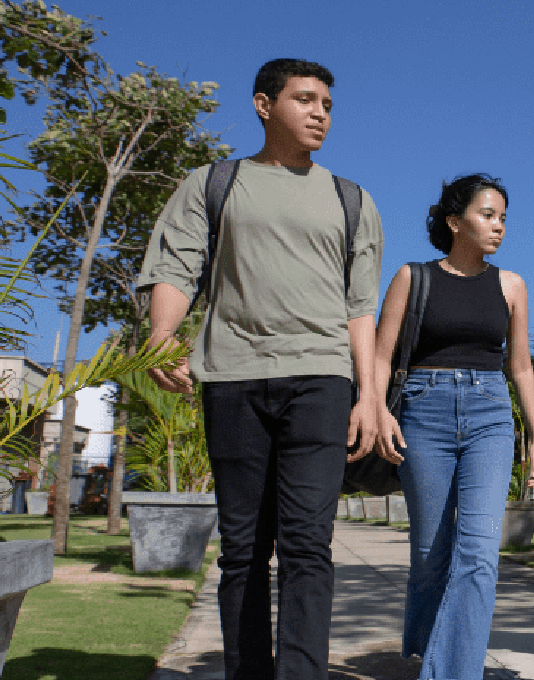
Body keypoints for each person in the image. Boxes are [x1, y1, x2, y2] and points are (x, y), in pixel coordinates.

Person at [134, 58, 381, 680]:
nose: (320, 111)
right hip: (233, 375)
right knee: (243, 550)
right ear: (264, 105)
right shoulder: (213, 183)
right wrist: (164, 335)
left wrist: (370, 396)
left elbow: (359, 309)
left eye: (326, 102)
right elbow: (175, 266)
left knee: (307, 546)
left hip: (322, 379)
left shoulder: (350, 199)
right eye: (305, 99)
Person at [359, 174, 534, 679]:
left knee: (480, 553)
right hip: (423, 412)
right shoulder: (411, 277)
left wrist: (533, 432)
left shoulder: (511, 285)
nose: (498, 226)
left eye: (503, 217)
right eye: (488, 215)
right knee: (430, 553)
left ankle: (451, 672)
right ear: (453, 221)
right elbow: (380, 355)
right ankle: (423, 649)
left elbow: (521, 365)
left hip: (489, 413)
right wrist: (374, 409)